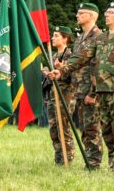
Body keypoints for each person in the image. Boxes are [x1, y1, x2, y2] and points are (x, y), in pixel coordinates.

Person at [50, 2, 114, 173]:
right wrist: (62, 70)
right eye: (106, 12)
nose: (106, 14)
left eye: (110, 12)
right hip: (102, 92)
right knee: (107, 133)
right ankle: (113, 165)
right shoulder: (101, 38)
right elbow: (81, 57)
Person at [71, 3, 103, 169]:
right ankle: (90, 159)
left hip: (90, 91)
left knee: (92, 128)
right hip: (79, 90)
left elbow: (99, 67)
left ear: (92, 16)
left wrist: (94, 92)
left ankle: (94, 162)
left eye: (81, 13)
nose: (77, 15)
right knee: (84, 127)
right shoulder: (79, 39)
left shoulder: (99, 37)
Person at [46, 26, 76, 165]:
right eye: (53, 35)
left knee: (63, 127)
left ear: (65, 39)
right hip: (53, 96)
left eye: (56, 36)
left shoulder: (71, 56)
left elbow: (74, 77)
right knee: (53, 127)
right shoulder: (53, 56)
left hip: (66, 96)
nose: (53, 38)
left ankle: (67, 157)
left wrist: (61, 69)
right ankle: (58, 157)